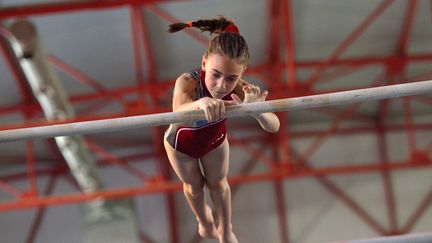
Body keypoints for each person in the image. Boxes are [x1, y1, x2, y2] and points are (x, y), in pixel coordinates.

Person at [164, 17, 280, 243]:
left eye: (231, 78)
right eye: (215, 74)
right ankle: (204, 221)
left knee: (218, 184)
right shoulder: (187, 82)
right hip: (181, 144)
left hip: (214, 141)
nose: (221, 85)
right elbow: (178, 111)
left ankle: (225, 230)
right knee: (194, 186)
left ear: (242, 72)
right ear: (204, 62)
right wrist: (199, 104)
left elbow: (274, 126)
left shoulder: (241, 88)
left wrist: (258, 111)